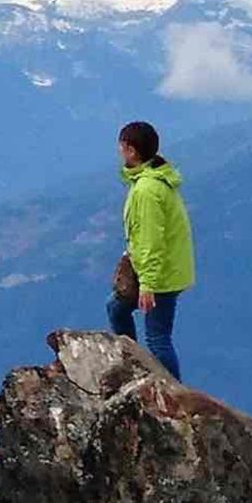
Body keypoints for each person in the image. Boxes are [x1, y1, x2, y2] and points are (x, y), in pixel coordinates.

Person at [106, 120, 195, 380]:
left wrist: (148, 284)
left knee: (158, 337)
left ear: (131, 151)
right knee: (116, 308)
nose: (119, 151)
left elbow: (151, 240)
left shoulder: (146, 190)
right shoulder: (155, 179)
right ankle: (132, 364)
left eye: (122, 146)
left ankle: (174, 395)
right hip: (168, 268)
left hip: (161, 275)